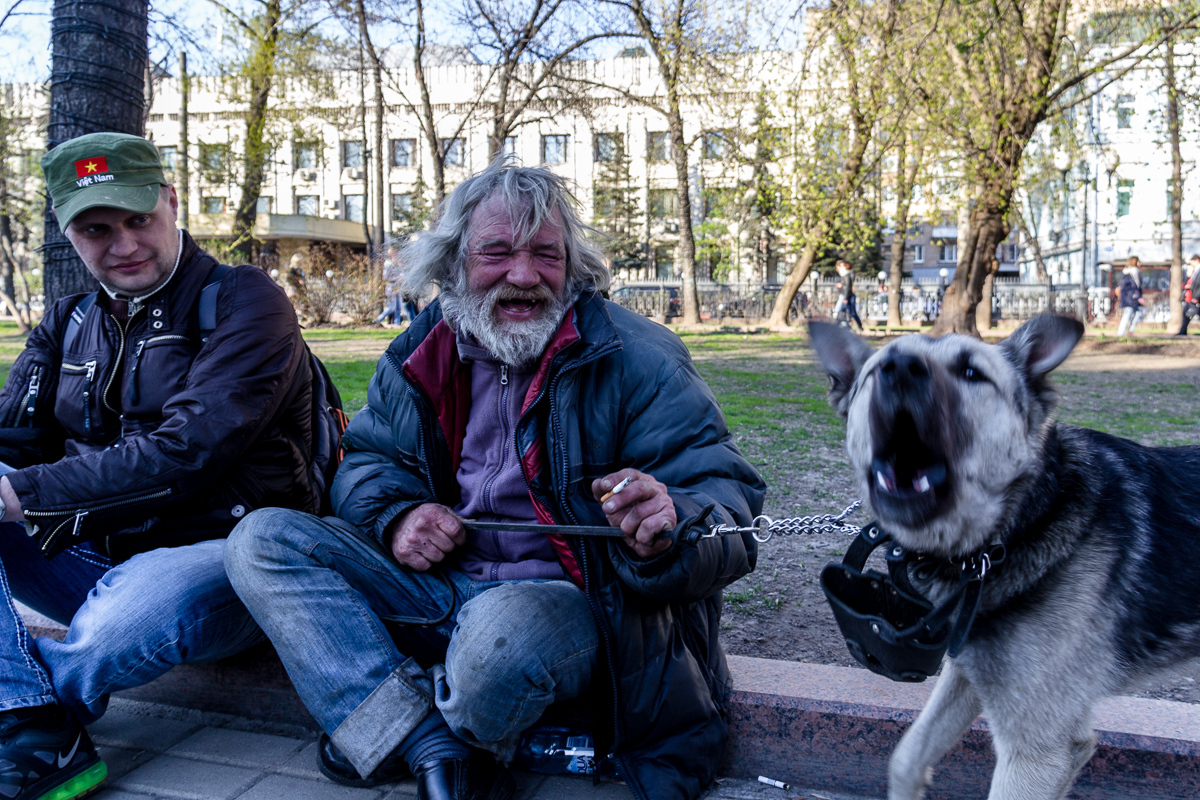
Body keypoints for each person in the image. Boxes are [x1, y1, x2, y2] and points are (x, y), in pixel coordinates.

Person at [225, 159, 765, 800]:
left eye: (546, 254)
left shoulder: (638, 356)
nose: (524, 275)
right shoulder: (421, 351)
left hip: (570, 605)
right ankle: (425, 738)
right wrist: (398, 516)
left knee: (495, 655)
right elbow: (365, 461)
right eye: (497, 252)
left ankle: (393, 722)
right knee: (262, 541)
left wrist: (667, 522)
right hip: (439, 588)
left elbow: (727, 502)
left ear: (572, 265)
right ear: (455, 261)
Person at [0, 132, 318, 800]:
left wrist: (22, 489)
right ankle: (32, 723)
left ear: (172, 202)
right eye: (96, 229)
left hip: (225, 561)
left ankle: (26, 706)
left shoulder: (246, 300)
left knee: (111, 628)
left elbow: (187, 451)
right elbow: (15, 441)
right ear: (67, 231)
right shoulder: (65, 322)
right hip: (93, 556)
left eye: (138, 219)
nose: (124, 245)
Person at [1116, 256, 1145, 336]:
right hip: (1129, 299)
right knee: (1127, 315)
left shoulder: (1136, 272)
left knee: (1138, 313)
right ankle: (1121, 333)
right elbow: (1129, 288)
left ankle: (1130, 331)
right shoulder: (1128, 274)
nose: (1140, 263)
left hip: (1133, 298)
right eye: (1139, 261)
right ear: (1135, 262)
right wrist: (1137, 297)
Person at [832, 259, 863, 330]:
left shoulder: (847, 276)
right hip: (846, 296)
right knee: (844, 311)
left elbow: (847, 288)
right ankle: (845, 326)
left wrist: (845, 298)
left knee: (843, 311)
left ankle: (838, 325)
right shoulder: (844, 276)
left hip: (847, 296)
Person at [1178, 254, 1199, 336]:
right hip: (1191, 297)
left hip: (1195, 298)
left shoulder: (1198, 270)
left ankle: (1182, 332)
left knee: (1187, 314)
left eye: (1192, 262)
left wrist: (1196, 297)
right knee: (1185, 314)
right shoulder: (1195, 271)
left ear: (1197, 260)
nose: (1191, 264)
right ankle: (1182, 331)